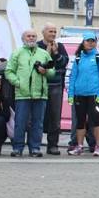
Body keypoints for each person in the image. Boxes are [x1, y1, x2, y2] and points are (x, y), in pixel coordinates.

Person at [5, 29, 55, 157]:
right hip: (23, 93)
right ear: (23, 38)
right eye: (29, 36)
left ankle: (35, 148)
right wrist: (19, 83)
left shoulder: (43, 53)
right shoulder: (17, 53)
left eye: (33, 36)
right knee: (20, 122)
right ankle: (17, 148)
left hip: (40, 93)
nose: (31, 38)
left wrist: (46, 72)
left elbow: (52, 72)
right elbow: (9, 71)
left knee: (38, 123)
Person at [67, 32, 99, 157]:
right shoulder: (78, 58)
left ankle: (98, 146)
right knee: (80, 121)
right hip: (79, 95)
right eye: (88, 41)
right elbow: (73, 76)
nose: (90, 43)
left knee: (96, 121)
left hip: (94, 95)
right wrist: (71, 94)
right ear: (83, 42)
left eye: (92, 41)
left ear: (95, 42)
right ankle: (79, 146)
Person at [37, 23, 69, 155]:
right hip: (40, 84)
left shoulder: (59, 46)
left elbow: (64, 62)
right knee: (38, 116)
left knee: (55, 117)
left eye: (55, 32)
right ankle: (36, 145)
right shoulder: (38, 46)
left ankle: (53, 145)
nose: (53, 34)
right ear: (43, 32)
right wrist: (47, 53)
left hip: (56, 85)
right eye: (50, 31)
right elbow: (38, 64)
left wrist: (56, 54)